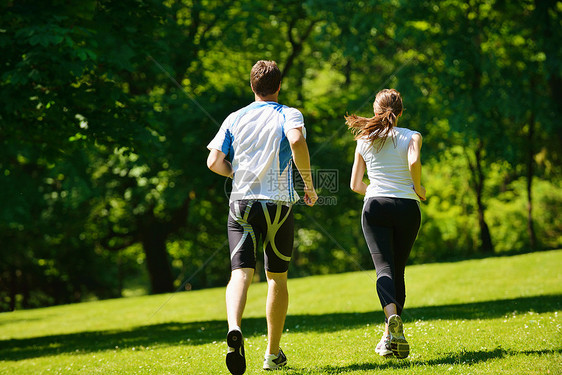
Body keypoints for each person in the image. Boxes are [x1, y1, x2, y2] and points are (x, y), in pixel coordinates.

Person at [207, 60, 317, 375]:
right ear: (279, 87)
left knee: (240, 274)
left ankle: (234, 328)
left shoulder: (234, 118)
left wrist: (236, 173)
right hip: (279, 204)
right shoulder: (288, 113)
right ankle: (271, 354)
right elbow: (296, 140)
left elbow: (214, 161)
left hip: (241, 203)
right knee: (276, 278)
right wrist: (308, 186)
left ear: (252, 87)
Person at [346, 88, 426, 359]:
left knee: (383, 269)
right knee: (398, 270)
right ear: (401, 111)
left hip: (375, 207)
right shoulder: (412, 136)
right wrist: (418, 187)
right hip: (407, 207)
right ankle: (390, 334)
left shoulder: (363, 139)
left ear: (375, 111)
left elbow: (355, 184)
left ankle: (390, 327)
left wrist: (373, 190)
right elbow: (414, 160)